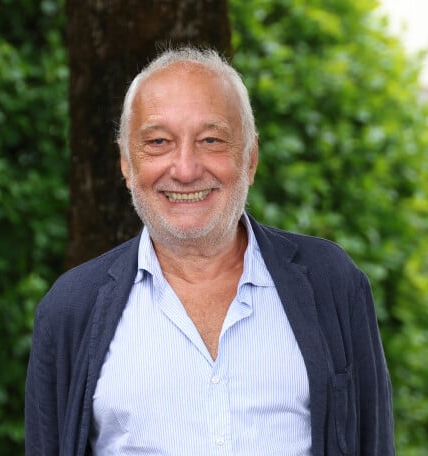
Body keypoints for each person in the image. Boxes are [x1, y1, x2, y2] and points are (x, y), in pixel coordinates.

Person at [25, 47, 394, 456]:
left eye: (211, 140)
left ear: (250, 159)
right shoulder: (70, 308)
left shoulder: (332, 283)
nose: (184, 169)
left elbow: (373, 441)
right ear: (127, 164)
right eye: (158, 142)